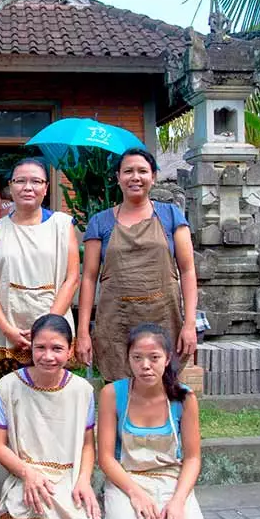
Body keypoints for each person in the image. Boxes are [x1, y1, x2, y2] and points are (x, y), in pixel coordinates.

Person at [76, 148, 197, 381]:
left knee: (161, 391)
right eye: (128, 171)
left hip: (163, 319)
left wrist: (189, 325)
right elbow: (89, 278)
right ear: (118, 177)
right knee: (120, 393)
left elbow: (188, 270)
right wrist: (83, 332)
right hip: (116, 324)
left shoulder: (171, 216)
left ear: (154, 177)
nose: (135, 177)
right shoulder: (100, 222)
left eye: (142, 171)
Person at [98, 323, 210, 519]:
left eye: (154, 357)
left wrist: (178, 501)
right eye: (137, 358)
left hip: (171, 480)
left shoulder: (184, 397)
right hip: (128, 479)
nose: (145, 365)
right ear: (128, 359)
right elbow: (105, 457)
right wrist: (135, 493)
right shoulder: (112, 394)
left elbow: (192, 458)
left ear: (167, 358)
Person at [0, 314, 102, 519]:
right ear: (31, 348)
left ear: (70, 350)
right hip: (24, 472)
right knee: (25, 500)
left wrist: (83, 480)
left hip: (66, 474)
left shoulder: (82, 390)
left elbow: (87, 445)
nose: (48, 356)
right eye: (40, 347)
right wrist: (27, 473)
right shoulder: (7, 387)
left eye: (57, 348)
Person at [0, 158, 80, 374]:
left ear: (46, 188)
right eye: (20, 181)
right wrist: (8, 330)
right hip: (10, 327)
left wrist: (47, 327)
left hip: (54, 325)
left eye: (36, 181)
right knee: (14, 394)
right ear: (10, 186)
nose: (28, 187)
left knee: (54, 394)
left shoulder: (62, 225)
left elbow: (72, 279)